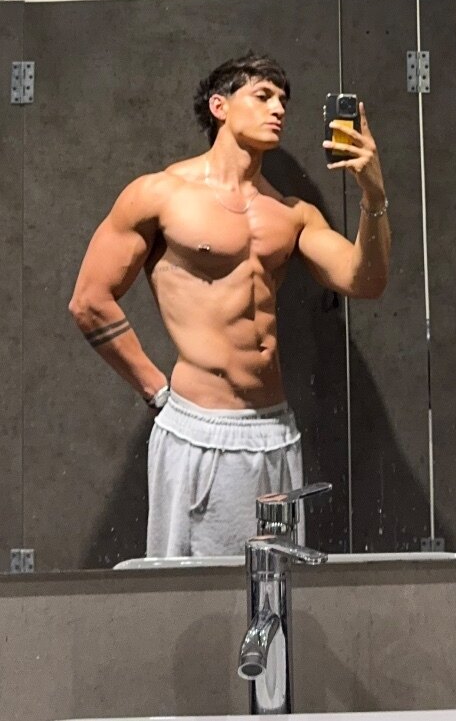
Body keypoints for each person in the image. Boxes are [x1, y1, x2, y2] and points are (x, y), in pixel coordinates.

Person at [68, 52, 391, 556]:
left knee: (277, 585)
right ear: (219, 106)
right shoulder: (160, 194)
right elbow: (89, 301)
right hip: (198, 427)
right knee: (193, 589)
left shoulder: (292, 214)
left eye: (283, 101)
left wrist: (373, 195)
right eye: (262, 96)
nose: (278, 109)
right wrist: (157, 393)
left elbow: (364, 280)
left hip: (275, 431)